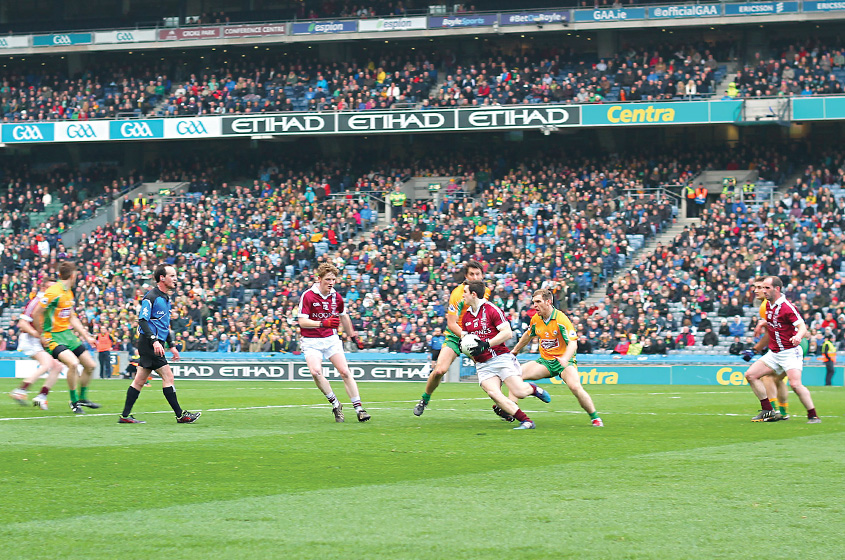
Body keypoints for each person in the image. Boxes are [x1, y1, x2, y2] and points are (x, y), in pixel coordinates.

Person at [460, 281, 550, 430]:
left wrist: (486, 344)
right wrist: (464, 348)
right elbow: (464, 341)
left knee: (519, 392)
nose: (462, 295)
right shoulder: (466, 317)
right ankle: (526, 421)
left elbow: (507, 333)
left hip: (501, 358)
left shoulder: (491, 309)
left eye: (465, 292)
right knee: (494, 393)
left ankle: (533, 389)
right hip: (483, 365)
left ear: (473, 294)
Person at [119, 265, 200, 424]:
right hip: (150, 343)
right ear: (162, 278)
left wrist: (172, 345)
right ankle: (180, 415)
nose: (175, 278)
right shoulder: (151, 297)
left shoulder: (165, 298)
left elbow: (164, 325)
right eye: (172, 275)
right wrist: (154, 340)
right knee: (168, 376)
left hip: (155, 343)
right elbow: (142, 321)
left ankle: (125, 416)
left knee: (139, 380)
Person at [511, 289, 603, 427]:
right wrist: (515, 351)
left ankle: (595, 417)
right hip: (546, 362)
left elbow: (573, 343)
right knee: (514, 375)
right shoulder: (536, 319)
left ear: (548, 302)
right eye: (533, 302)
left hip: (564, 361)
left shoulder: (561, 319)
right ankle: (511, 411)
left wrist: (565, 359)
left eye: (538, 302)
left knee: (575, 387)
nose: (534, 305)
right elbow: (528, 335)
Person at [414, 261, 489, 416]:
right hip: (456, 336)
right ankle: (424, 399)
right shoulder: (457, 294)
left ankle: (502, 406)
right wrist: (465, 336)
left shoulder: (485, 291)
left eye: (478, 274)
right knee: (439, 370)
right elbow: (451, 323)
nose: (475, 277)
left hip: (476, 337)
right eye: (471, 274)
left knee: (489, 373)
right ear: (466, 277)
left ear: (483, 275)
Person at [298, 263, 369, 423]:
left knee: (344, 371)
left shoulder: (336, 297)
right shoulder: (308, 295)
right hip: (311, 341)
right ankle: (336, 404)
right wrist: (322, 323)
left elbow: (344, 316)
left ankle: (359, 409)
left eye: (333, 279)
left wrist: (352, 336)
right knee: (316, 372)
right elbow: (302, 321)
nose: (331, 282)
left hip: (330, 339)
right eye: (328, 279)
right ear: (319, 279)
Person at [744, 276, 819, 423]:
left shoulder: (787, 307)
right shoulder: (769, 305)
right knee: (751, 375)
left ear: (777, 289)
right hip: (774, 353)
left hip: (790, 352)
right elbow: (775, 319)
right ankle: (768, 410)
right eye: (762, 288)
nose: (763, 291)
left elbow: (802, 326)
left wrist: (798, 336)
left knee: (795, 385)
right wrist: (763, 323)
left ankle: (813, 415)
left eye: (767, 288)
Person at [32, 261, 100, 414]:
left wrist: (87, 337)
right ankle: (74, 402)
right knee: (74, 364)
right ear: (73, 275)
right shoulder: (53, 292)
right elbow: (37, 312)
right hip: (53, 336)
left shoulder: (68, 292)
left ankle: (82, 398)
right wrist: (41, 334)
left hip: (67, 335)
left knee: (90, 365)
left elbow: (72, 318)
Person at [9, 276, 66, 410]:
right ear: (43, 288)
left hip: (38, 339)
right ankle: (20, 390)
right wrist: (38, 335)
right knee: (46, 364)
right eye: (51, 288)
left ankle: (41, 397)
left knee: (58, 367)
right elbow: (22, 323)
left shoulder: (49, 302)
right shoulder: (36, 302)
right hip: (29, 339)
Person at [742, 277, 789, 419]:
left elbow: (770, 334)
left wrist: (755, 349)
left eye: (760, 287)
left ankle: (771, 411)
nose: (756, 290)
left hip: (788, 345)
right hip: (796, 343)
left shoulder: (766, 306)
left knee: (766, 376)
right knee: (777, 379)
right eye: (755, 287)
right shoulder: (775, 302)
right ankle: (783, 412)